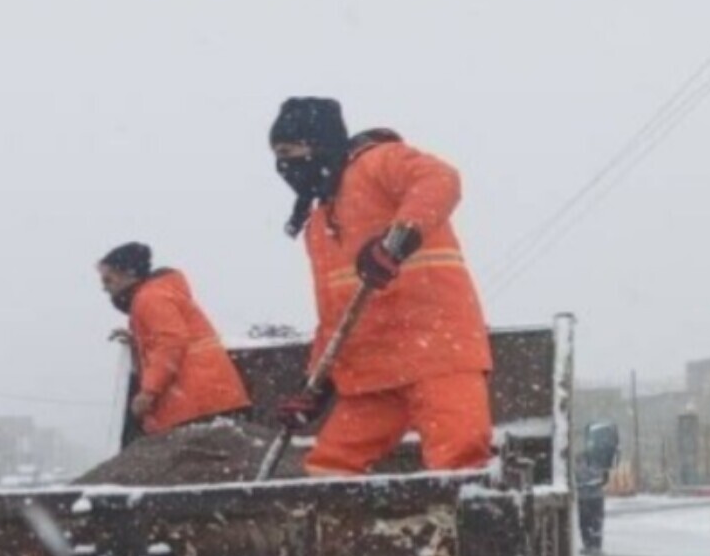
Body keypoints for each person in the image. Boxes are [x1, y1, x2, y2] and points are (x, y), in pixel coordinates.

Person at [267, 97, 494, 476]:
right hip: (371, 373)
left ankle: (466, 534)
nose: (284, 166)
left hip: (438, 353)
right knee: (328, 471)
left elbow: (440, 178)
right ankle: (343, 536)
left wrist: (399, 236)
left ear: (318, 144)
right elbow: (333, 317)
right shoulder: (320, 225)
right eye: (278, 156)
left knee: (461, 462)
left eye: (289, 152)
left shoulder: (379, 162)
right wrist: (314, 387)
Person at [97, 243, 251, 435]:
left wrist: (148, 392)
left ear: (128, 274)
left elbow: (170, 343)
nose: (104, 288)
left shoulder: (149, 298)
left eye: (108, 280)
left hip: (195, 404)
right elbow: (168, 338)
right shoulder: (158, 294)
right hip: (211, 399)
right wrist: (138, 339)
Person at [577, 422, 621, 556]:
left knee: (589, 521)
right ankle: (592, 544)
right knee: (592, 521)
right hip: (591, 496)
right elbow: (604, 478)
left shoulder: (593, 460)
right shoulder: (600, 460)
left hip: (588, 496)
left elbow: (603, 478)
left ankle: (592, 544)